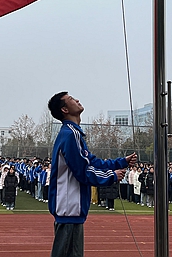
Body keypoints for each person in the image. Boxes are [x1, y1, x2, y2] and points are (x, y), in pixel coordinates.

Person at [47, 91, 135, 257]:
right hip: (69, 208)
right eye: (71, 99)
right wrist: (111, 176)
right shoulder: (70, 134)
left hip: (71, 209)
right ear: (65, 109)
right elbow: (83, 171)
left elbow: (92, 162)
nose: (77, 100)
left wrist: (121, 162)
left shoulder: (73, 133)